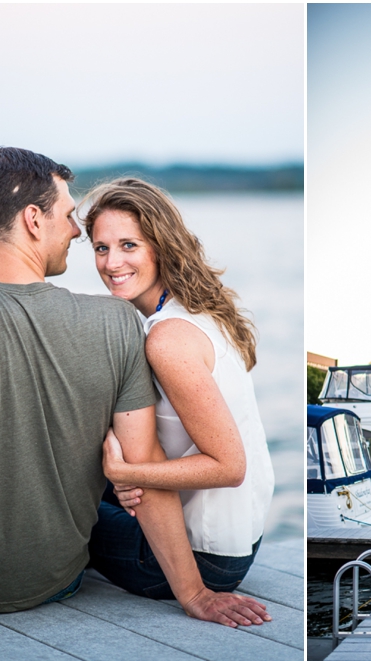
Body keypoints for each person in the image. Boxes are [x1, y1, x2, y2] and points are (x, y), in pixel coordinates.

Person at [0, 148, 269, 661]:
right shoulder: (118, 324)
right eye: (69, 215)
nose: (76, 231)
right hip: (62, 580)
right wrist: (194, 594)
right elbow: (145, 478)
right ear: (34, 219)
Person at [81, 177, 275, 599]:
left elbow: (229, 466)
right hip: (241, 538)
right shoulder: (201, 311)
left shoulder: (167, 339)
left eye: (129, 245)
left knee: (53, 503)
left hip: (206, 559)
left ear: (161, 246)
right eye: (101, 248)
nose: (112, 263)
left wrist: (127, 473)